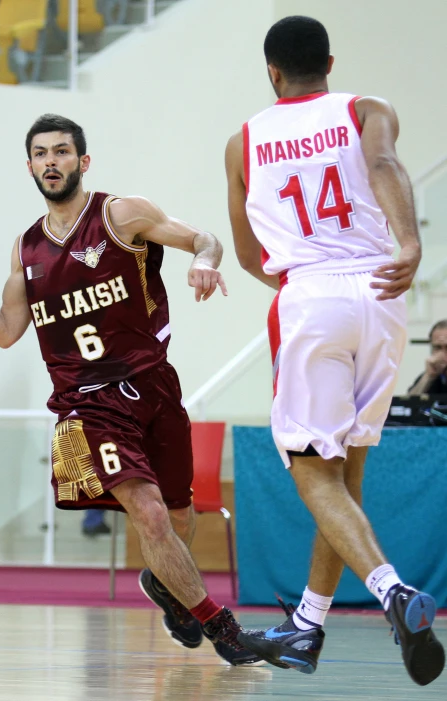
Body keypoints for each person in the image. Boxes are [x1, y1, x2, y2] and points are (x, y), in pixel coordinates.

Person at [0, 113, 261, 666]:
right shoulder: (26, 250)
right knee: (151, 514)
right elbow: (4, 331)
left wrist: (206, 260)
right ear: (30, 166)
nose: (50, 162)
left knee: (179, 514)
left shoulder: (122, 215)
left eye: (61, 151)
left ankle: (166, 586)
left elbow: (202, 237)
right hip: (87, 403)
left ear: (82, 161)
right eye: (40, 154)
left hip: (154, 385)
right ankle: (227, 631)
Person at [225, 15, 444, 685]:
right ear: (329, 61)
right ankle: (307, 627)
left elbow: (247, 254)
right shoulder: (365, 108)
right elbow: (383, 164)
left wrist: (307, 282)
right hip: (381, 294)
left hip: (310, 295)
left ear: (271, 72)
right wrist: (407, 244)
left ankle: (392, 591)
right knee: (343, 472)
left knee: (309, 473)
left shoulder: (242, 143)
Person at [408, 320, 447, 395]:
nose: (443, 354)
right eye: (438, 348)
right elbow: (408, 404)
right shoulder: (431, 375)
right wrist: (427, 376)